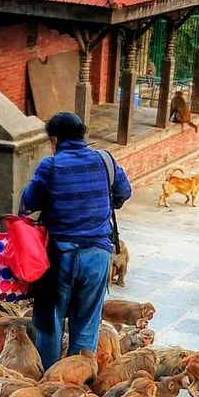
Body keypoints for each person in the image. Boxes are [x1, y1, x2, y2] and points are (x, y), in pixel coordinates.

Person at [21, 111, 131, 367]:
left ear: (55, 140)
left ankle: (48, 379)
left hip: (60, 256)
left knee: (51, 320)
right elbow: (124, 192)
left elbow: (30, 201)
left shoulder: (51, 165)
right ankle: (78, 378)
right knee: (87, 322)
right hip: (98, 255)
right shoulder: (105, 160)